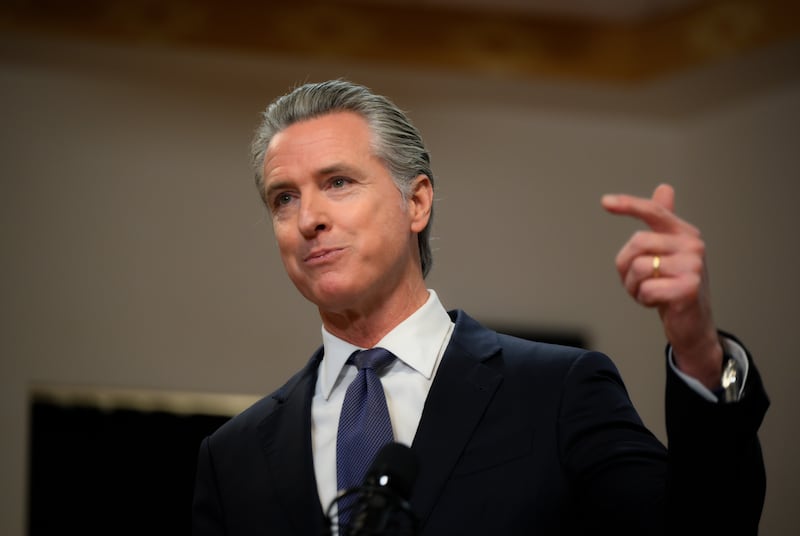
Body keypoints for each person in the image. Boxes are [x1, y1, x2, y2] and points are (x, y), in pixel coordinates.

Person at [192, 80, 769, 535]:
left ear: (416, 202)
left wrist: (697, 349)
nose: (308, 218)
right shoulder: (234, 455)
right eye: (283, 198)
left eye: (338, 181)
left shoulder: (556, 393)